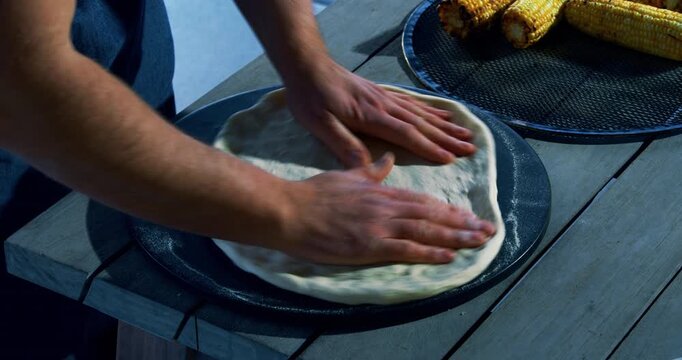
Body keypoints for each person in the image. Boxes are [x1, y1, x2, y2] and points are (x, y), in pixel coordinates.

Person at [0, 0, 496, 357]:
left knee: (122, 314)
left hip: (114, 54)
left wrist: (304, 60)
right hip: (18, 147)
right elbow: (23, 84)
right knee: (44, 313)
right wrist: (288, 210)